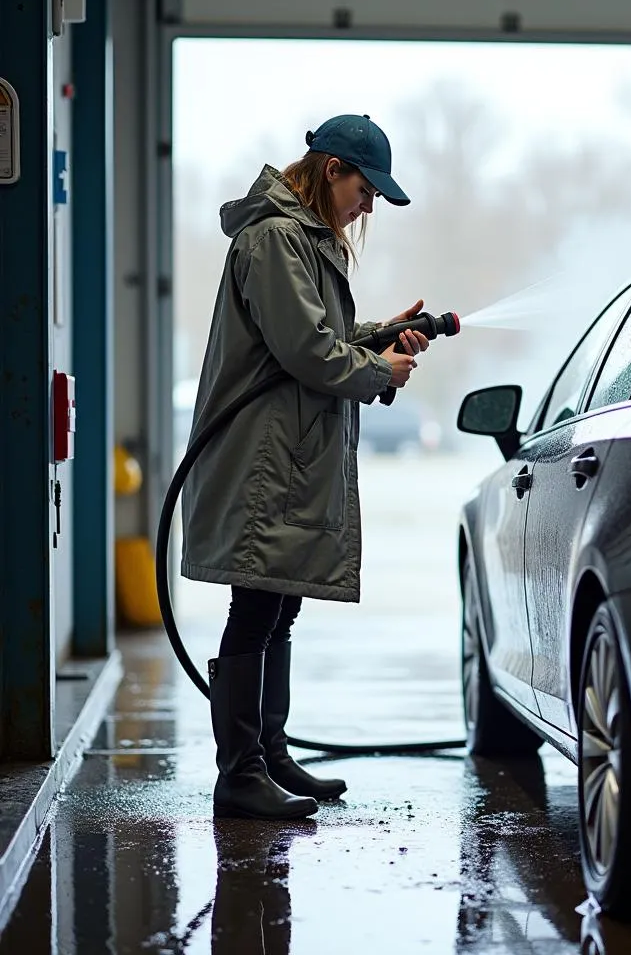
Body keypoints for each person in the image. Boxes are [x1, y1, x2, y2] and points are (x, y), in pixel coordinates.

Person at [181, 114, 431, 820]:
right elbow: (306, 352)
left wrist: (378, 334)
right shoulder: (275, 239)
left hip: (284, 450)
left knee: (279, 600)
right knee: (256, 605)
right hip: (264, 455)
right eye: (365, 188)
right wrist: (377, 367)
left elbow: (315, 336)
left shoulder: (300, 239)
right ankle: (240, 774)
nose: (369, 205)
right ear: (331, 171)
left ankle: (271, 752)